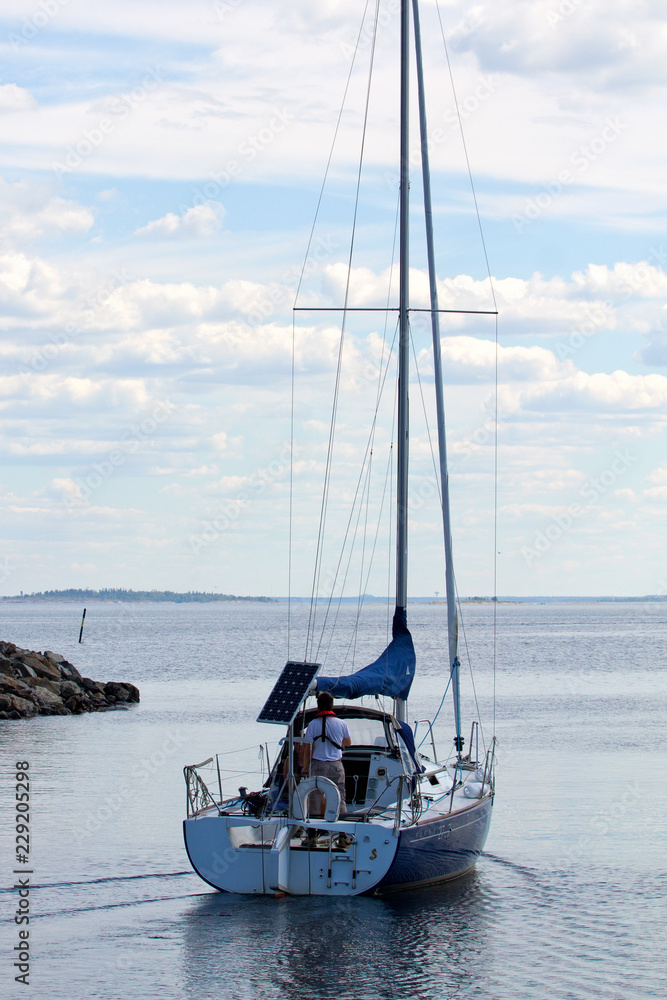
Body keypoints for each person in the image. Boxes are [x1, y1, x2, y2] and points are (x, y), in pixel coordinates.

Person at [300, 691, 351, 819]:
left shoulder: (312, 725)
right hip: (336, 765)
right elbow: (348, 743)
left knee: (315, 797)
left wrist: (305, 767)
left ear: (318, 706)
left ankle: (313, 832)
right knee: (339, 796)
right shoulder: (341, 724)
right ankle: (342, 832)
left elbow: (308, 749)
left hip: (318, 765)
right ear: (332, 705)